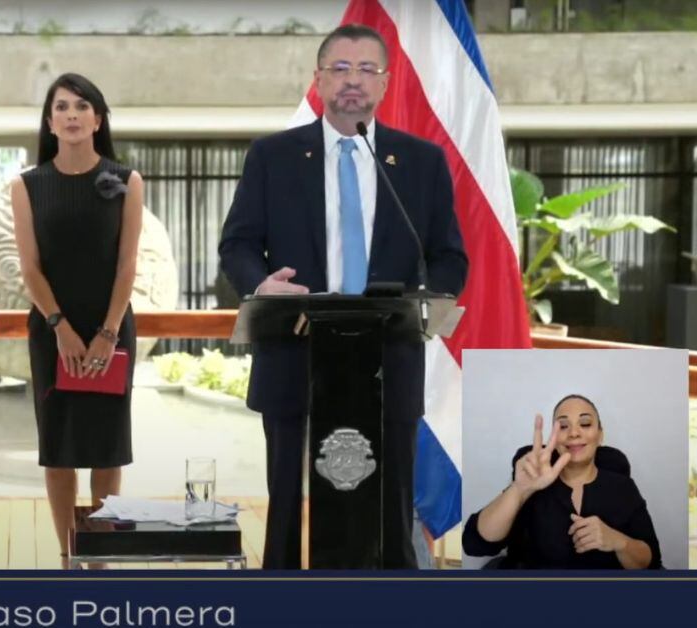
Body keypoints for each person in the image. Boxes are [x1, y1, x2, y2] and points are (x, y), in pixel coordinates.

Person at [217, 24, 468, 569]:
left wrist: (425, 298)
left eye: (366, 70)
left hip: (388, 361)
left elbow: (450, 256)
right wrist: (262, 286)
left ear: (384, 83)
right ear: (318, 79)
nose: (353, 80)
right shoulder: (273, 156)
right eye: (340, 68)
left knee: (391, 508)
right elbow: (237, 244)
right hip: (295, 353)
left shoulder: (420, 162)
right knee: (288, 508)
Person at [11, 73, 144, 565]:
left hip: (112, 327)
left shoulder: (127, 181)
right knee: (59, 450)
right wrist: (60, 328)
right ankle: (69, 557)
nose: (71, 115)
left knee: (107, 449)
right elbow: (30, 268)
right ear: (49, 122)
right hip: (52, 332)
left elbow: (127, 265)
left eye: (82, 106)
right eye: (62, 107)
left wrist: (108, 332)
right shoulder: (26, 185)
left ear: (98, 119)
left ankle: (99, 558)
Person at [463, 395, 661, 569]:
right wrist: (520, 489)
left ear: (600, 435)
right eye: (563, 426)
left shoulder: (623, 487)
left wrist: (619, 542)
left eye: (585, 424)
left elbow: (651, 562)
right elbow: (474, 544)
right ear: (554, 438)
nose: (574, 433)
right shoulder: (533, 478)